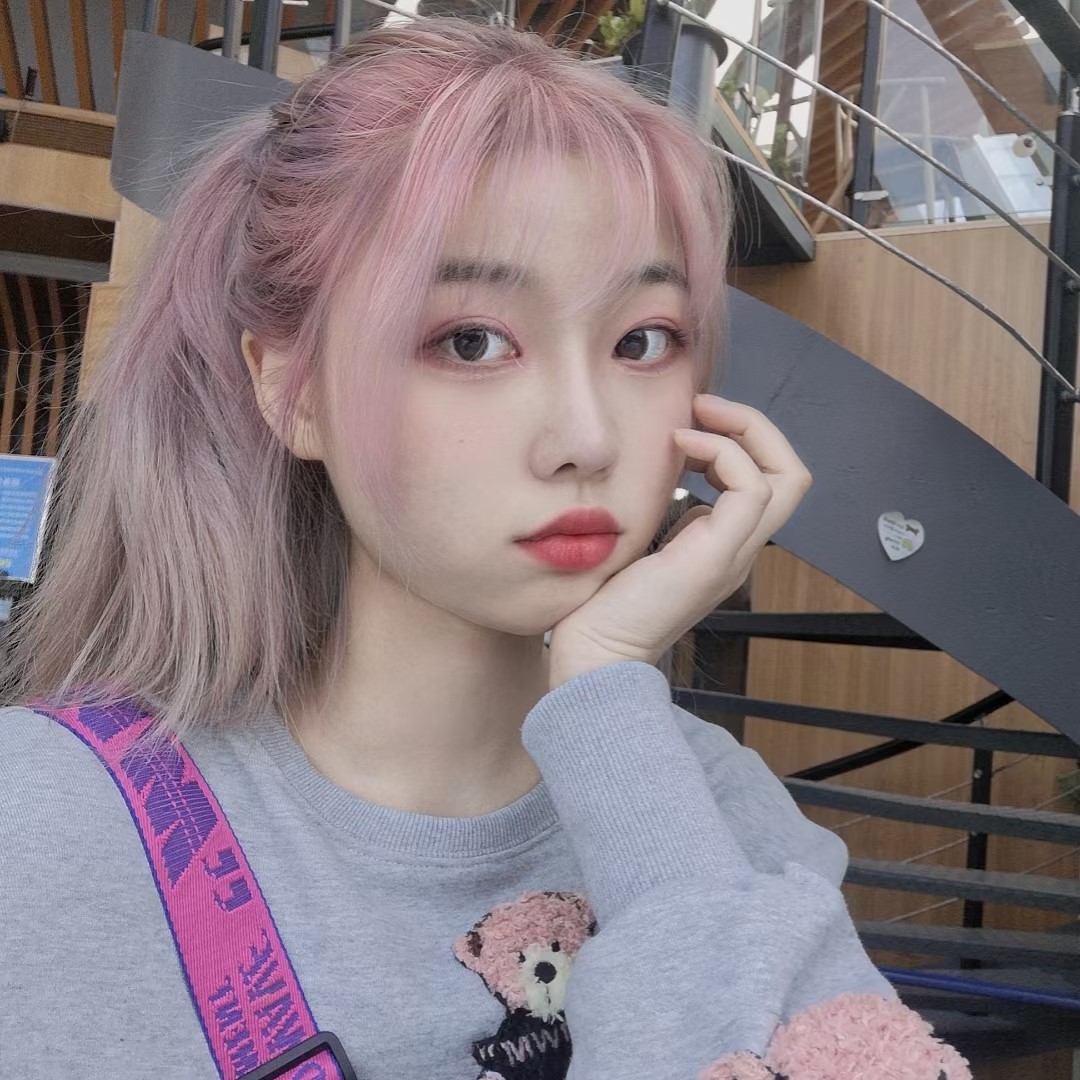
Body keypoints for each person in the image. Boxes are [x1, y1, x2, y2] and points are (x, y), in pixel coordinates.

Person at [0, 16, 970, 1080]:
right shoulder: (51, 826)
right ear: (292, 389)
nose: (587, 438)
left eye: (643, 339)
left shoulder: (705, 806)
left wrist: (606, 683)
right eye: (471, 341)